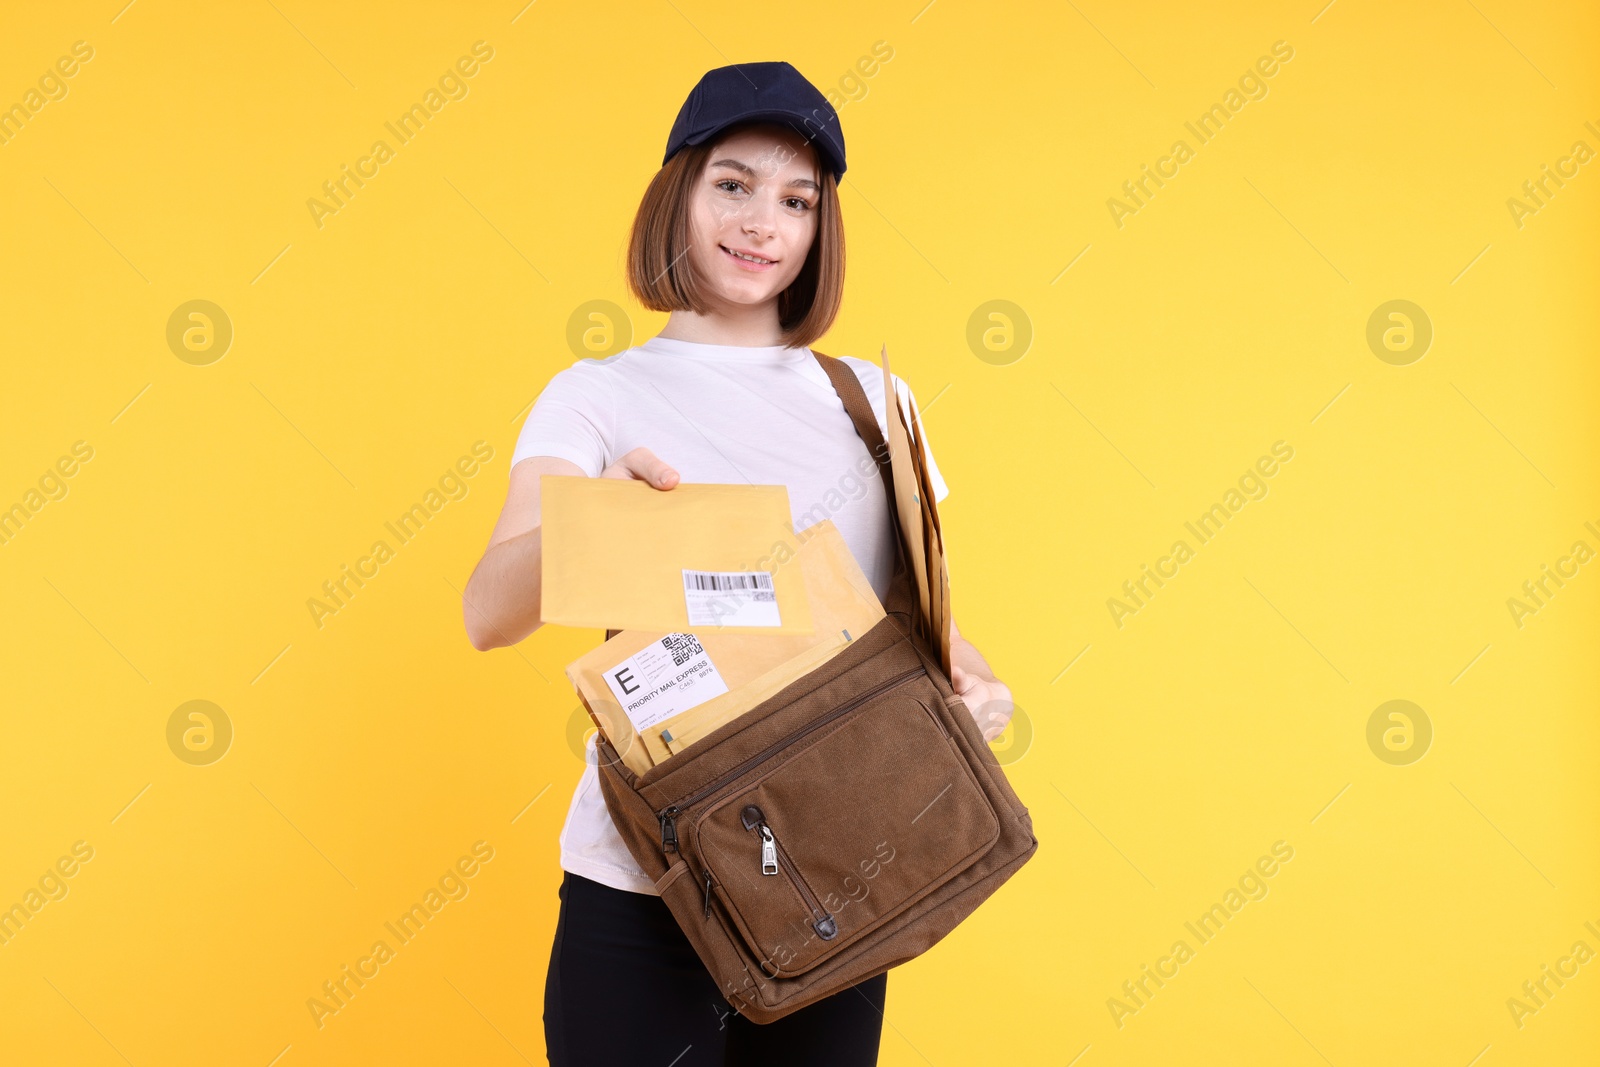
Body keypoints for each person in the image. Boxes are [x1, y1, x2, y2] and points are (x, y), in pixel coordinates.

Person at [462, 61, 1014, 1067]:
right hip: (645, 882)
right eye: (733, 183)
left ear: (819, 230)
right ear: (677, 191)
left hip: (834, 878)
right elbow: (486, 612)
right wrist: (595, 520)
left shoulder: (873, 399)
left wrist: (977, 686)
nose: (763, 221)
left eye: (796, 199)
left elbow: (899, 624)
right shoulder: (595, 395)